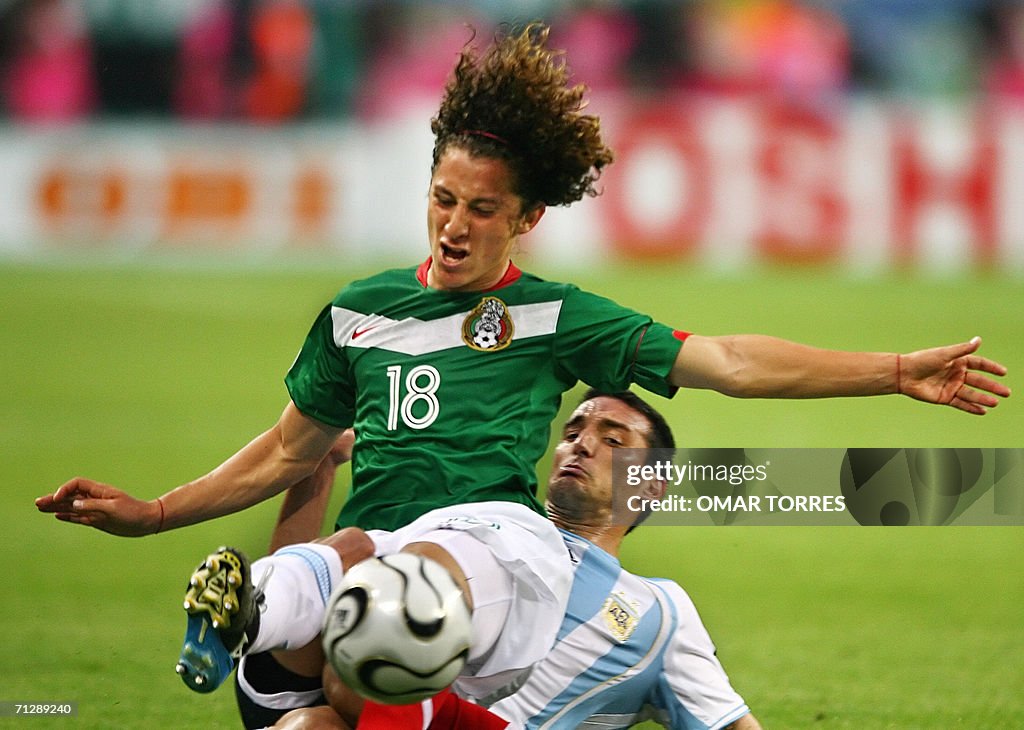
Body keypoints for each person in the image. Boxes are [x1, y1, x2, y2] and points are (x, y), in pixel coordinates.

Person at [35, 19, 1008, 721]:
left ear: (525, 219)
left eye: (482, 208)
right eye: (442, 198)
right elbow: (289, 450)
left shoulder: (552, 315)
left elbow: (730, 362)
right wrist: (155, 514)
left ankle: (278, 608)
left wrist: (888, 370)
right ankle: (248, 607)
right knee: (327, 665)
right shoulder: (359, 312)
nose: (455, 224)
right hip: (378, 560)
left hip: (500, 551)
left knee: (389, 587)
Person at [263, 390, 762, 729]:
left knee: (357, 679)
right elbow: (306, 601)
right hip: (391, 698)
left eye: (613, 440)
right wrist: (318, 465)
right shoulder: (489, 528)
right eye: (572, 432)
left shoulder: (659, 612)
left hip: (441, 709)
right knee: (313, 719)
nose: (581, 445)